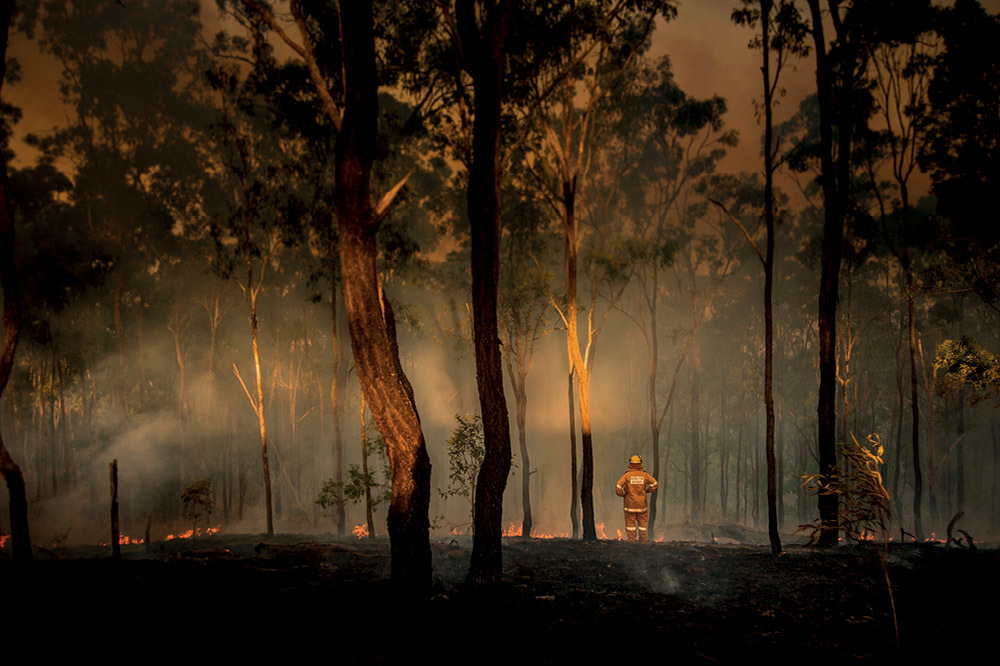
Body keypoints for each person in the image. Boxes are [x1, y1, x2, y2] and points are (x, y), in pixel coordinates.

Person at [615, 454, 657, 543]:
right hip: (642, 505)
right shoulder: (644, 475)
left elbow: (618, 486)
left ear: (630, 463)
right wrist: (647, 490)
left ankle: (631, 540)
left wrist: (622, 494)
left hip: (629, 504)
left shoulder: (627, 475)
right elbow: (654, 484)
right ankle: (643, 540)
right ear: (640, 463)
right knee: (642, 524)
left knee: (630, 524)